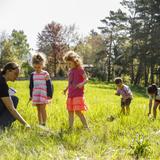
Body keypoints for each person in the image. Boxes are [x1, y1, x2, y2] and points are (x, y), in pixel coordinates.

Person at [0, 62, 30, 129]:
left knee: (12, 98)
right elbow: (11, 109)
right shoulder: (2, 84)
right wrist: (26, 124)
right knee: (14, 100)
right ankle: (1, 126)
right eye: (15, 74)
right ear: (8, 71)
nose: (16, 77)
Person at [63, 51, 89, 130]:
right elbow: (70, 82)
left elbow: (86, 79)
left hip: (78, 94)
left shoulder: (80, 69)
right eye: (67, 64)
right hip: (70, 95)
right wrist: (66, 89)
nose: (68, 65)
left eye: (70, 64)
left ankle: (86, 126)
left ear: (75, 61)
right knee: (70, 111)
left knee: (78, 111)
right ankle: (70, 127)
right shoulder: (70, 71)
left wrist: (82, 84)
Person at [29, 53, 53, 126]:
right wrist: (31, 95)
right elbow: (31, 86)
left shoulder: (45, 74)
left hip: (43, 94)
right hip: (36, 94)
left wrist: (49, 94)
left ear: (42, 65)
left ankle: (44, 123)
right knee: (38, 109)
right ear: (33, 65)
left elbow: (49, 85)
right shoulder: (32, 75)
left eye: (39, 67)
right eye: (35, 67)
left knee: (43, 109)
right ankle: (40, 123)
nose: (37, 69)